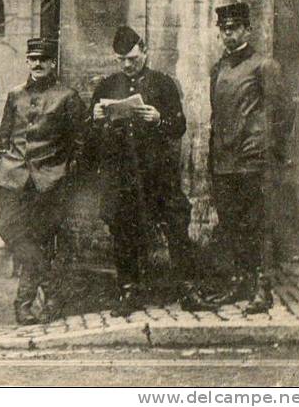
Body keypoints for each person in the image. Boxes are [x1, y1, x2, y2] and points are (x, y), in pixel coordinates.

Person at [88, 27, 209, 315]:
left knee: (176, 226)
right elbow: (91, 135)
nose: (128, 65)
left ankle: (187, 288)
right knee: (122, 231)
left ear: (145, 52)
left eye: (132, 58)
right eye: (122, 60)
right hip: (122, 175)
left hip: (157, 174)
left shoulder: (163, 84)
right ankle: (128, 291)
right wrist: (94, 117)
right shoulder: (107, 86)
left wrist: (158, 119)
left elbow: (178, 127)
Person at [208, 2, 293, 314]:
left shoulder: (264, 66)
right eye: (224, 29)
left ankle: (262, 288)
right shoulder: (219, 68)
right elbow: (217, 116)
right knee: (231, 224)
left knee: (258, 225)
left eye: (234, 28)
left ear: (247, 29)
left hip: (253, 161)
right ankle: (239, 282)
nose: (228, 34)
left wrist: (271, 153)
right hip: (225, 161)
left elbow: (283, 113)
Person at [0, 38, 85, 325]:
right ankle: (52, 291)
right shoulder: (14, 96)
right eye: (32, 59)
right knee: (8, 227)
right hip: (14, 180)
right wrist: (3, 165)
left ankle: (23, 305)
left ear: (52, 62)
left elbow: (80, 142)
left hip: (49, 182)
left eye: (43, 59)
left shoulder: (68, 97)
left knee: (40, 240)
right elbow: (3, 138)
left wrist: (65, 173)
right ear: (27, 61)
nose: (37, 64)